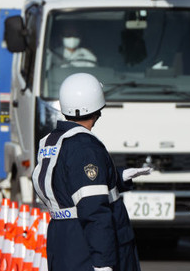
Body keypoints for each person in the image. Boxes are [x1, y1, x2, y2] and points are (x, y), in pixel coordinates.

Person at [32, 73, 151, 271]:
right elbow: (94, 210)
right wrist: (103, 263)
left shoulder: (53, 141)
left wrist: (118, 176)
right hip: (84, 244)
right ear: (97, 106)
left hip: (63, 238)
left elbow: (68, 182)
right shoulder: (84, 147)